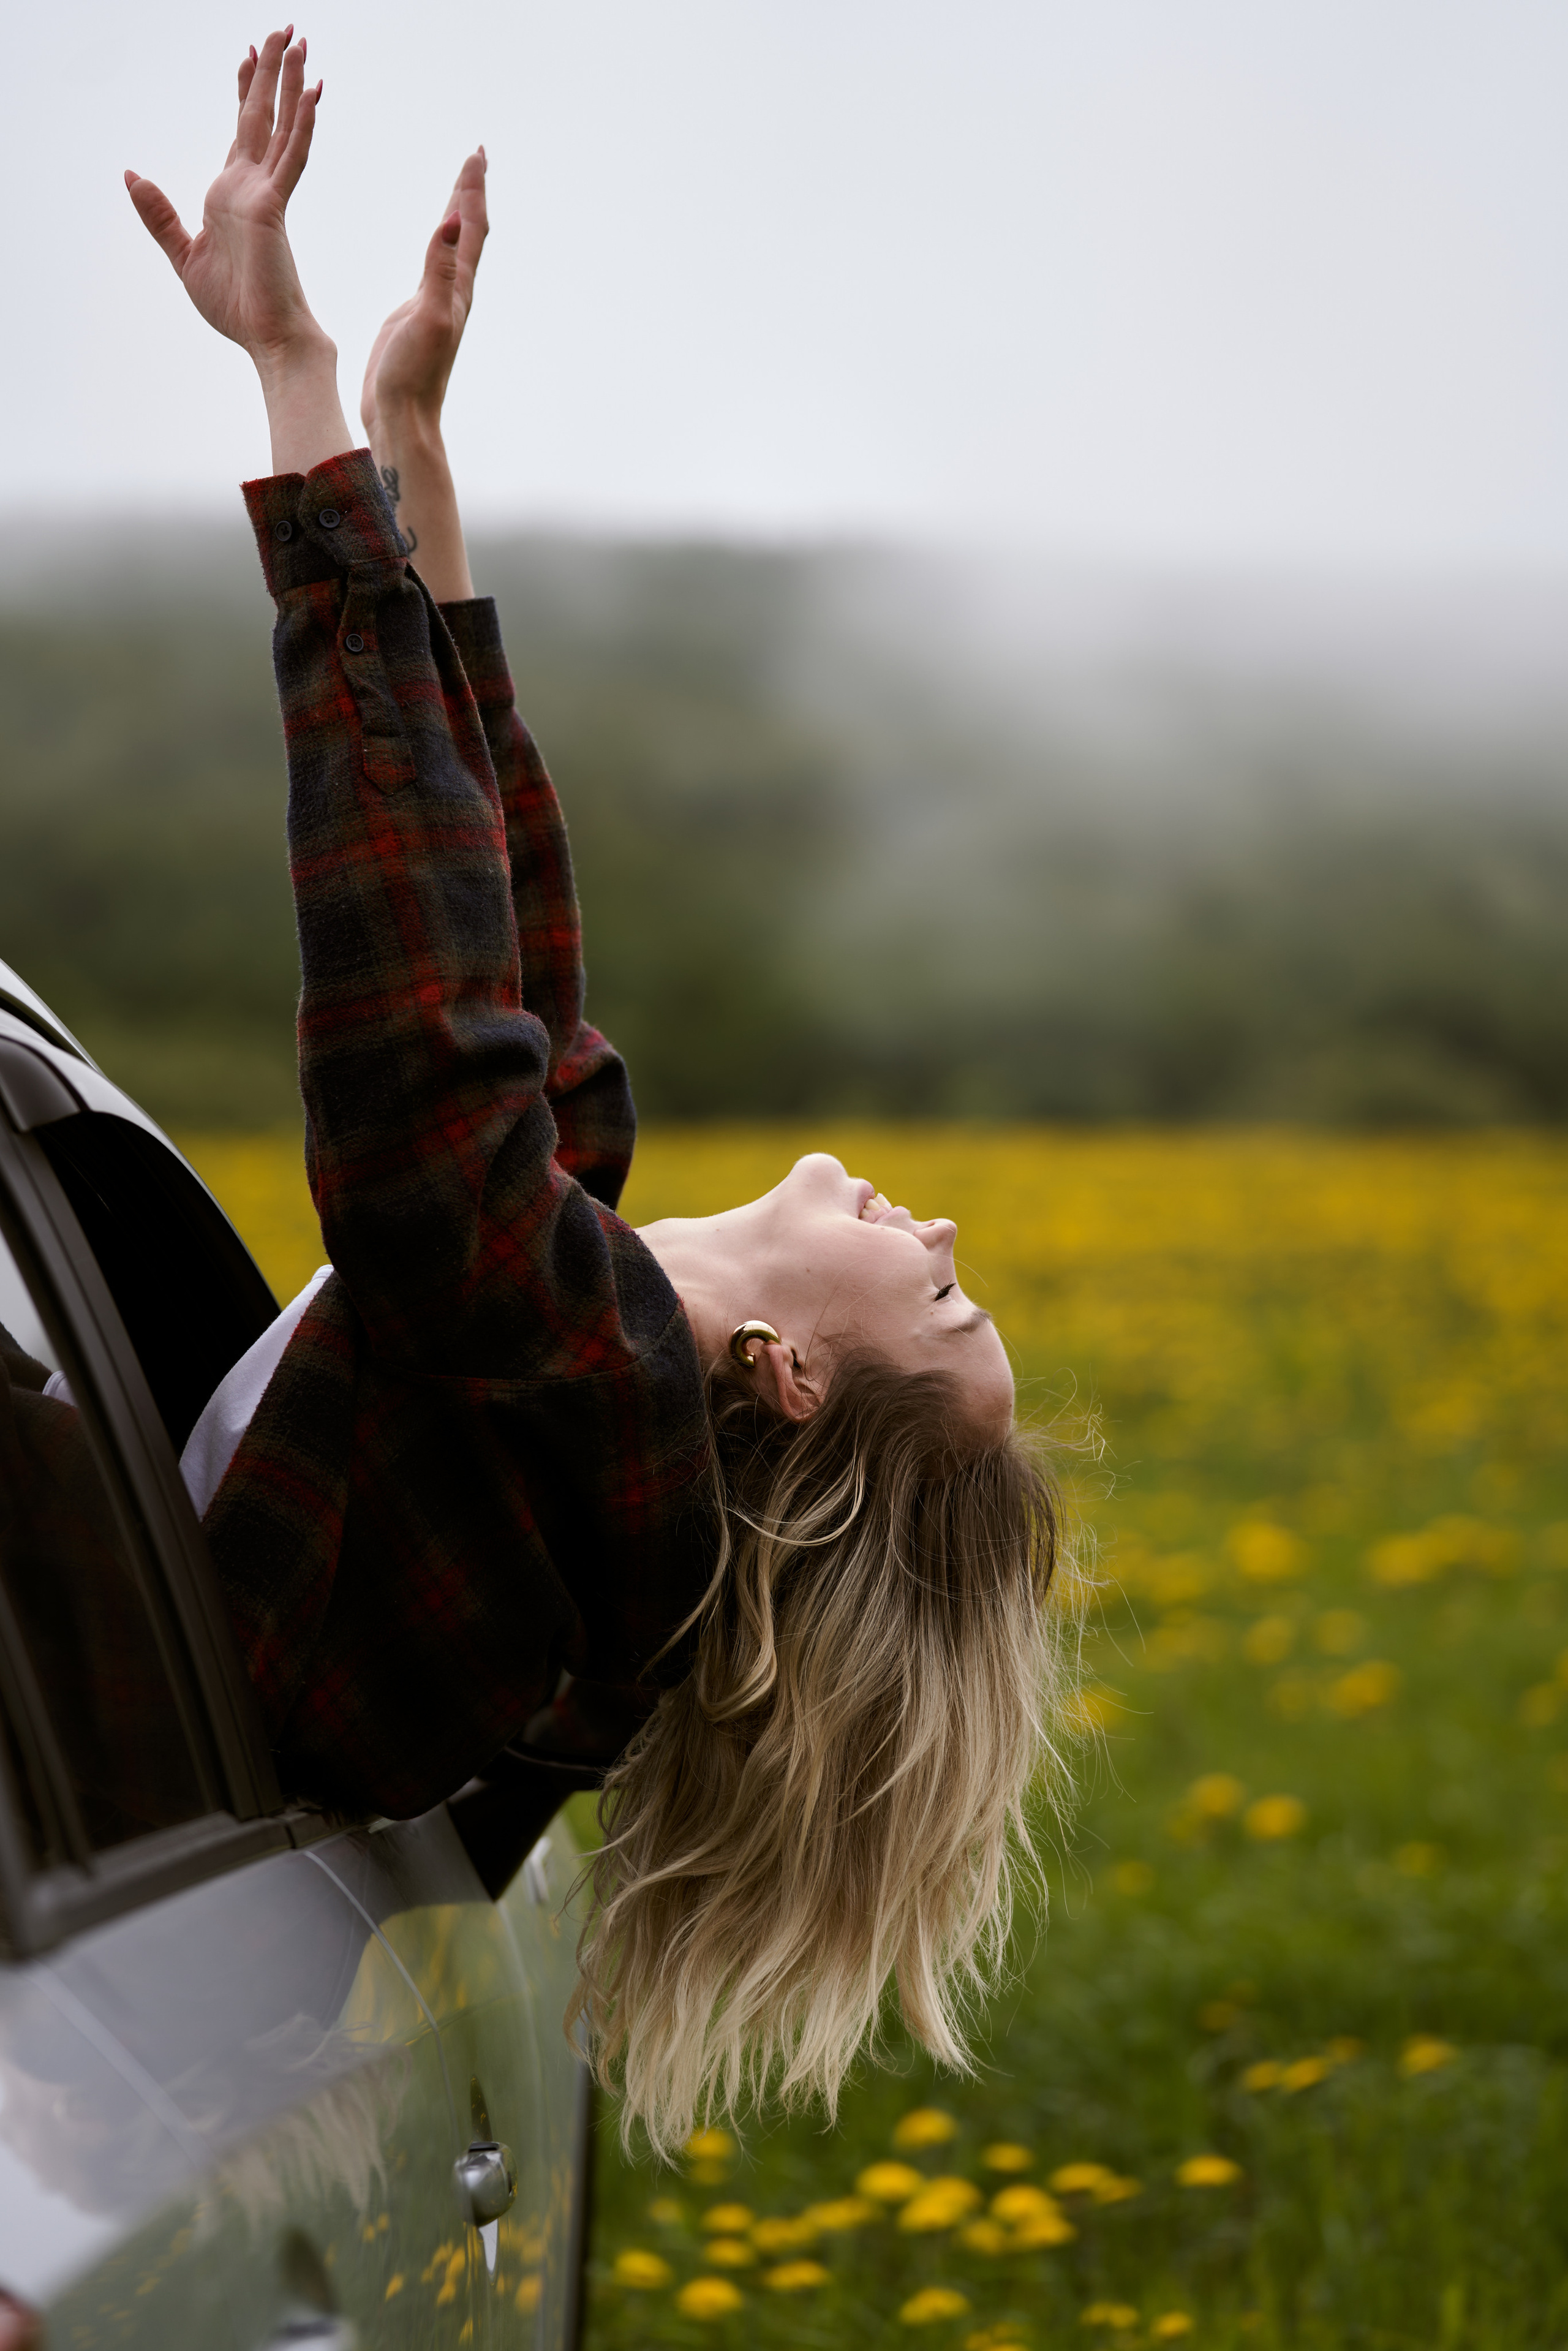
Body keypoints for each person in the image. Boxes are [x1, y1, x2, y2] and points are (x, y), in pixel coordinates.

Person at [126, 29, 1072, 2156]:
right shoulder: (579, 1391)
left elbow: (422, 1001)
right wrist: (407, 440)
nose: (940, 1231)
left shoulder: (591, 1402)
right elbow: (513, 954)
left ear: (793, 1378)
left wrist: (288, 383)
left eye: (942, 1296)